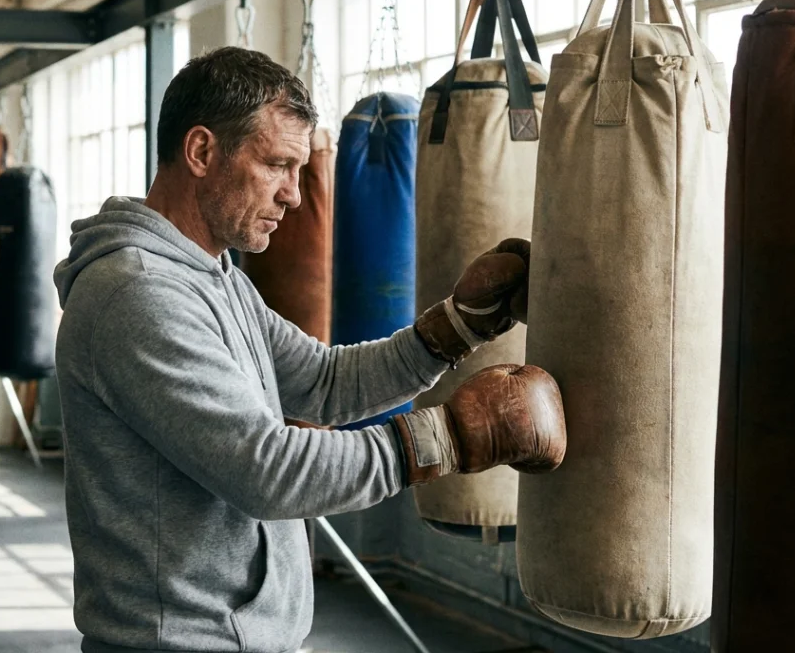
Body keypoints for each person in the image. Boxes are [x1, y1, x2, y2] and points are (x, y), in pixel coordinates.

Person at [52, 46, 567, 653]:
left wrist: (456, 327)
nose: (295, 197)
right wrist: (452, 437)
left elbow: (324, 382)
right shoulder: (139, 295)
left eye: (300, 170)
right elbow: (265, 470)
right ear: (200, 152)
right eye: (276, 165)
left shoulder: (217, 277)